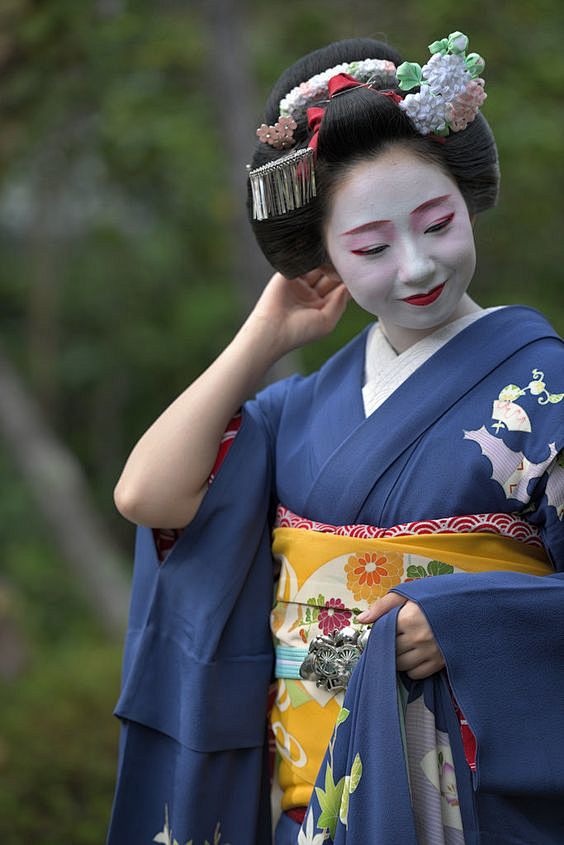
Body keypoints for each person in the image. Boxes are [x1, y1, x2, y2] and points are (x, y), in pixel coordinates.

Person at [107, 31, 564, 845]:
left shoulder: (543, 387)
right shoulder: (300, 406)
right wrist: (263, 335)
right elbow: (148, 494)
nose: (417, 266)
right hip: (311, 803)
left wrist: (467, 620)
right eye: (371, 246)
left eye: (437, 223)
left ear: (468, 202)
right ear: (324, 256)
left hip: (469, 805)